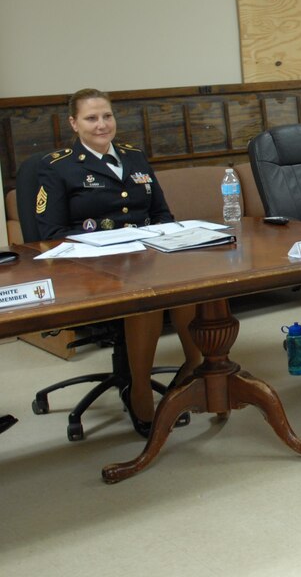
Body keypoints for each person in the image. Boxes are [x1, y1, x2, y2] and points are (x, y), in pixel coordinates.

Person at [36, 88, 201, 437]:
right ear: (73, 123)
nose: (101, 125)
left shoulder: (135, 157)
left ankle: (195, 365)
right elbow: (51, 234)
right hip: (91, 269)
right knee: (147, 299)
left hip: (146, 255)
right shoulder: (57, 167)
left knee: (195, 282)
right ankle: (139, 389)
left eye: (107, 116)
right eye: (91, 118)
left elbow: (161, 214)